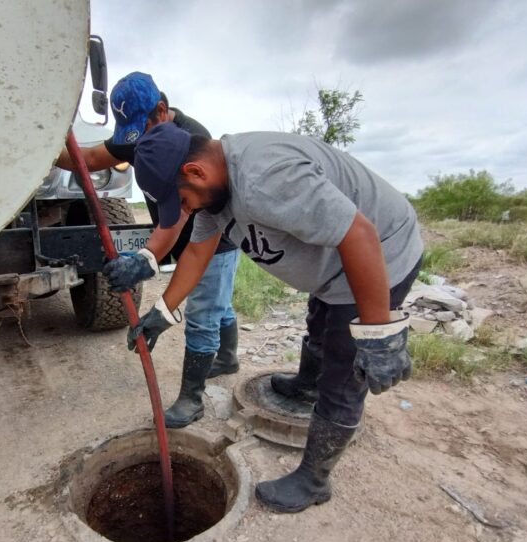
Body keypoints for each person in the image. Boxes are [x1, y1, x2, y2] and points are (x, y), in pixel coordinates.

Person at [127, 122, 423, 513]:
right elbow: (197, 254)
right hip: (332, 271)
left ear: (195, 172)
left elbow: (360, 236)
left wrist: (378, 334)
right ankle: (306, 385)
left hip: (378, 256)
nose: (186, 210)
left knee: (345, 367)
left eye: (183, 201)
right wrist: (161, 314)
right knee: (320, 322)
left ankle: (314, 480)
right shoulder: (217, 192)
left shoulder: (265, 179)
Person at [56, 72, 241, 427]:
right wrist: (48, 154)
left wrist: (148, 259)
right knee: (218, 301)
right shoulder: (135, 133)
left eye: (143, 131)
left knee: (205, 310)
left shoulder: (193, 139)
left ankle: (191, 399)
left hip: (215, 238)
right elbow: (91, 158)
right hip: (178, 227)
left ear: (161, 108)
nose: (136, 144)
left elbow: (186, 215)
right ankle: (228, 357)